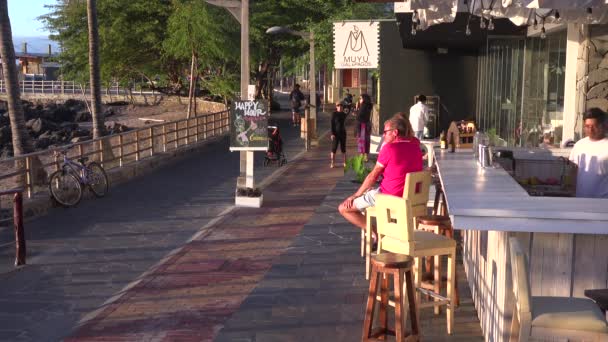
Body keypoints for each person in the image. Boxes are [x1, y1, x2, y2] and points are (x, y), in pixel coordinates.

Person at [338, 116, 423, 241]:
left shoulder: (389, 149)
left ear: (395, 132)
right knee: (373, 190)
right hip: (411, 199)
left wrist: (355, 195)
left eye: (385, 132)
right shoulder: (416, 145)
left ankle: (375, 233)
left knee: (344, 208)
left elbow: (373, 175)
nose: (384, 136)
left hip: (390, 198)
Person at [568, 107, 608, 198]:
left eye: (594, 126)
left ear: (603, 125)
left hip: (603, 202)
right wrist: (572, 190)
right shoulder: (579, 145)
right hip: (581, 200)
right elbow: (574, 170)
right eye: (587, 126)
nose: (590, 130)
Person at [355, 93, 373, 162]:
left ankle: (362, 155)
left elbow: (358, 116)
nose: (360, 100)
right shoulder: (369, 105)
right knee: (367, 141)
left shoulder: (363, 106)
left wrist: (357, 108)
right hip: (367, 124)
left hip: (362, 125)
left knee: (361, 140)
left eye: (360, 98)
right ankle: (366, 156)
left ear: (364, 99)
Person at [330, 102, 348, 168]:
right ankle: (332, 163)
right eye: (338, 106)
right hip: (335, 134)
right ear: (336, 107)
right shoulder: (334, 114)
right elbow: (332, 124)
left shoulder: (344, 114)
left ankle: (345, 162)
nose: (340, 107)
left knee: (343, 148)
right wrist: (332, 133)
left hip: (343, 133)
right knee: (334, 149)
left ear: (342, 107)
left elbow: (348, 109)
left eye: (341, 106)